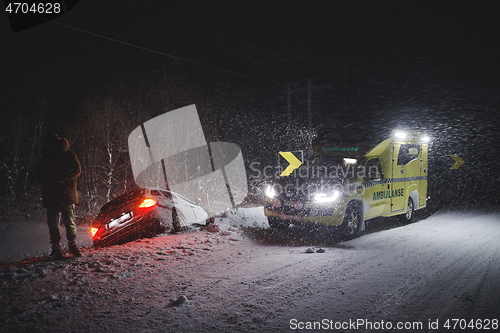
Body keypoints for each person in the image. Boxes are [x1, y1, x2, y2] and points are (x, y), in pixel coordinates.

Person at [32, 133, 82, 258]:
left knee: (68, 222)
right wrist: (44, 179)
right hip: (52, 195)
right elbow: (34, 177)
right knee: (55, 224)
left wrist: (55, 175)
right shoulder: (45, 159)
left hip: (64, 194)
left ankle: (72, 246)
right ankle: (57, 248)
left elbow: (76, 171)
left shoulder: (68, 156)